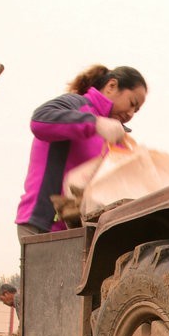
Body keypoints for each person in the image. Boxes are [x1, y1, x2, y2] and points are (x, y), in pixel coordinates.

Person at [16, 65, 148, 239]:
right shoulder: (76, 105)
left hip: (82, 232)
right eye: (132, 103)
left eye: (136, 110)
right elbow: (40, 120)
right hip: (44, 224)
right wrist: (95, 123)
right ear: (111, 86)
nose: (131, 113)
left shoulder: (117, 137)